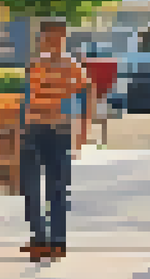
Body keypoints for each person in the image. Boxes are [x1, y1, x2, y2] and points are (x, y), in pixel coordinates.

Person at [21, 20, 95, 261]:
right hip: (33, 129)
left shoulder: (71, 66)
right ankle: (39, 238)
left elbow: (88, 93)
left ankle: (58, 241)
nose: (51, 41)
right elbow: (28, 99)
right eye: (47, 37)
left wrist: (84, 130)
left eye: (55, 37)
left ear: (63, 37)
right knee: (31, 186)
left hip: (58, 129)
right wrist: (19, 129)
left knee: (57, 187)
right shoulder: (35, 64)